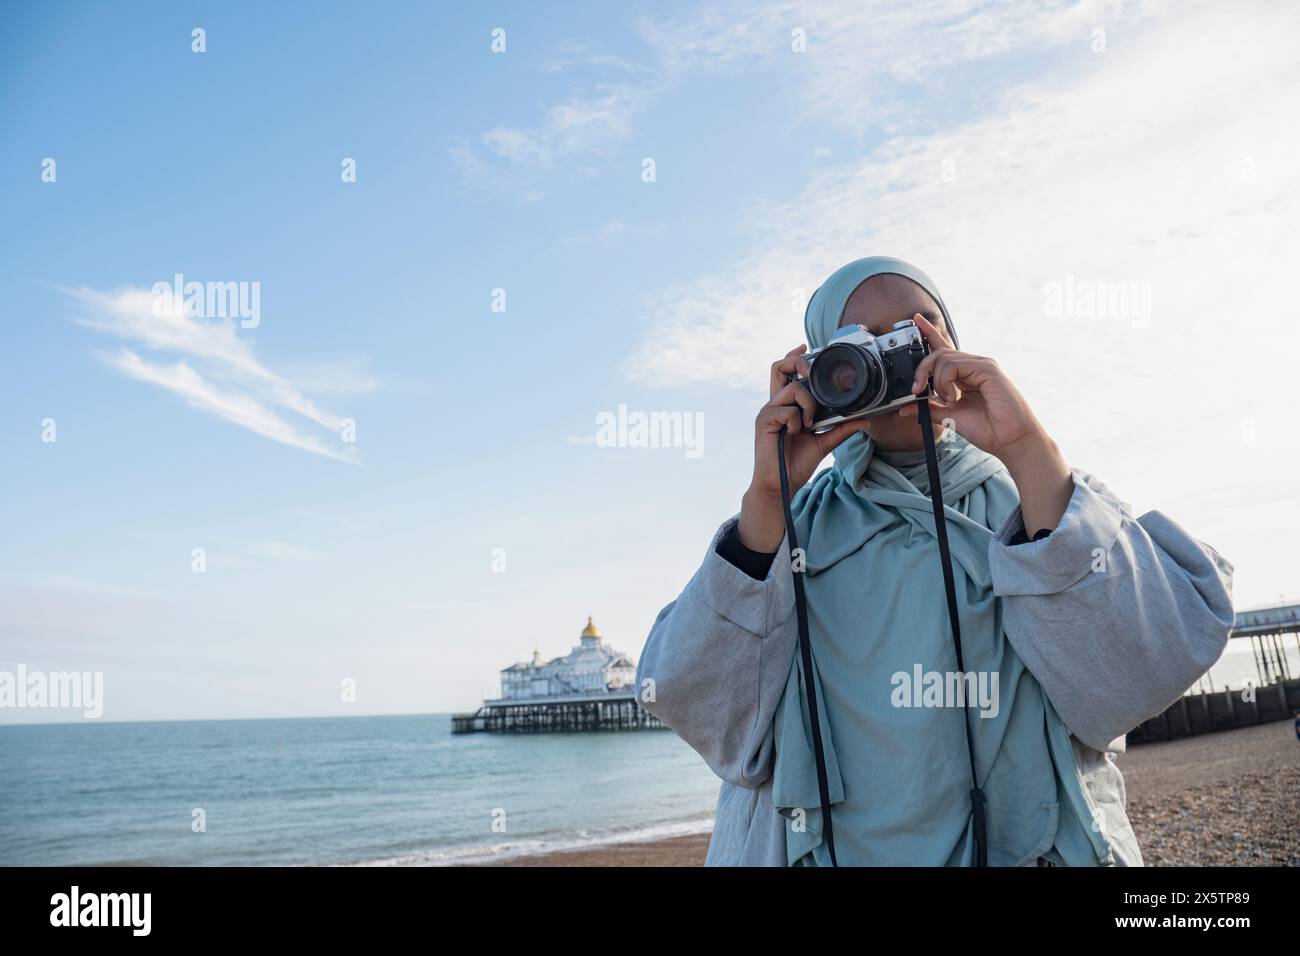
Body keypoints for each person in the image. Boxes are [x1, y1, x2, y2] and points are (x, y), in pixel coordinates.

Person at [636, 256, 1234, 866]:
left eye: (910, 337)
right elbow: (702, 710)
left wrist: (1029, 448)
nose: (889, 367)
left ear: (953, 347)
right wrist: (767, 500)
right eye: (856, 350)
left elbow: (1139, 673)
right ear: (818, 370)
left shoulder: (1036, 496)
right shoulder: (787, 527)